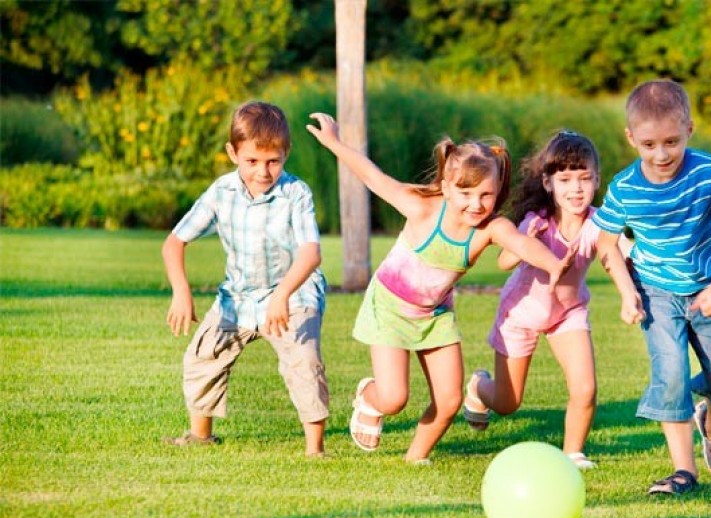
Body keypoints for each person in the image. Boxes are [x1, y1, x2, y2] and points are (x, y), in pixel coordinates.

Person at [306, 112, 572, 464]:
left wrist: (554, 264)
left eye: (486, 195)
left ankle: (414, 459)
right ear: (446, 187)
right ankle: (370, 398)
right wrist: (335, 143)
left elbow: (521, 244)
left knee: (448, 401)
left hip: (435, 315)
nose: (476, 204)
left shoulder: (490, 228)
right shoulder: (421, 208)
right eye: (465, 192)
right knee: (394, 397)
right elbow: (373, 177)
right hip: (389, 309)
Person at [593, 79, 711, 495]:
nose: (661, 154)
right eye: (649, 145)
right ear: (631, 138)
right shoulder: (625, 188)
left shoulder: (707, 172)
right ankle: (684, 471)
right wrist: (627, 291)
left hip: (709, 291)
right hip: (657, 294)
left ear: (690, 130)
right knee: (670, 375)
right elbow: (605, 242)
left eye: (671, 141)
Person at [162, 101, 330, 457]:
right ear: (233, 152)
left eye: (273, 161)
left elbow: (310, 253)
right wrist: (181, 291)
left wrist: (283, 294)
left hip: (293, 294)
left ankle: (315, 450)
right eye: (252, 161)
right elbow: (174, 242)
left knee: (303, 361)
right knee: (203, 355)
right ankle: (200, 436)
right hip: (237, 297)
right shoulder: (221, 192)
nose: (263, 171)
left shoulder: (296, 194)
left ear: (286, 154)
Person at [461, 130, 632, 470]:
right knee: (508, 403)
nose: (576, 188)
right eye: (565, 179)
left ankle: (573, 454)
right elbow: (504, 262)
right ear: (548, 182)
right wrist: (524, 239)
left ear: (597, 179)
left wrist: (635, 286)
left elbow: (621, 252)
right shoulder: (536, 221)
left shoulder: (599, 223)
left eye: (584, 178)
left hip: (567, 314)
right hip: (520, 314)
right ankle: (479, 386)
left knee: (585, 388)